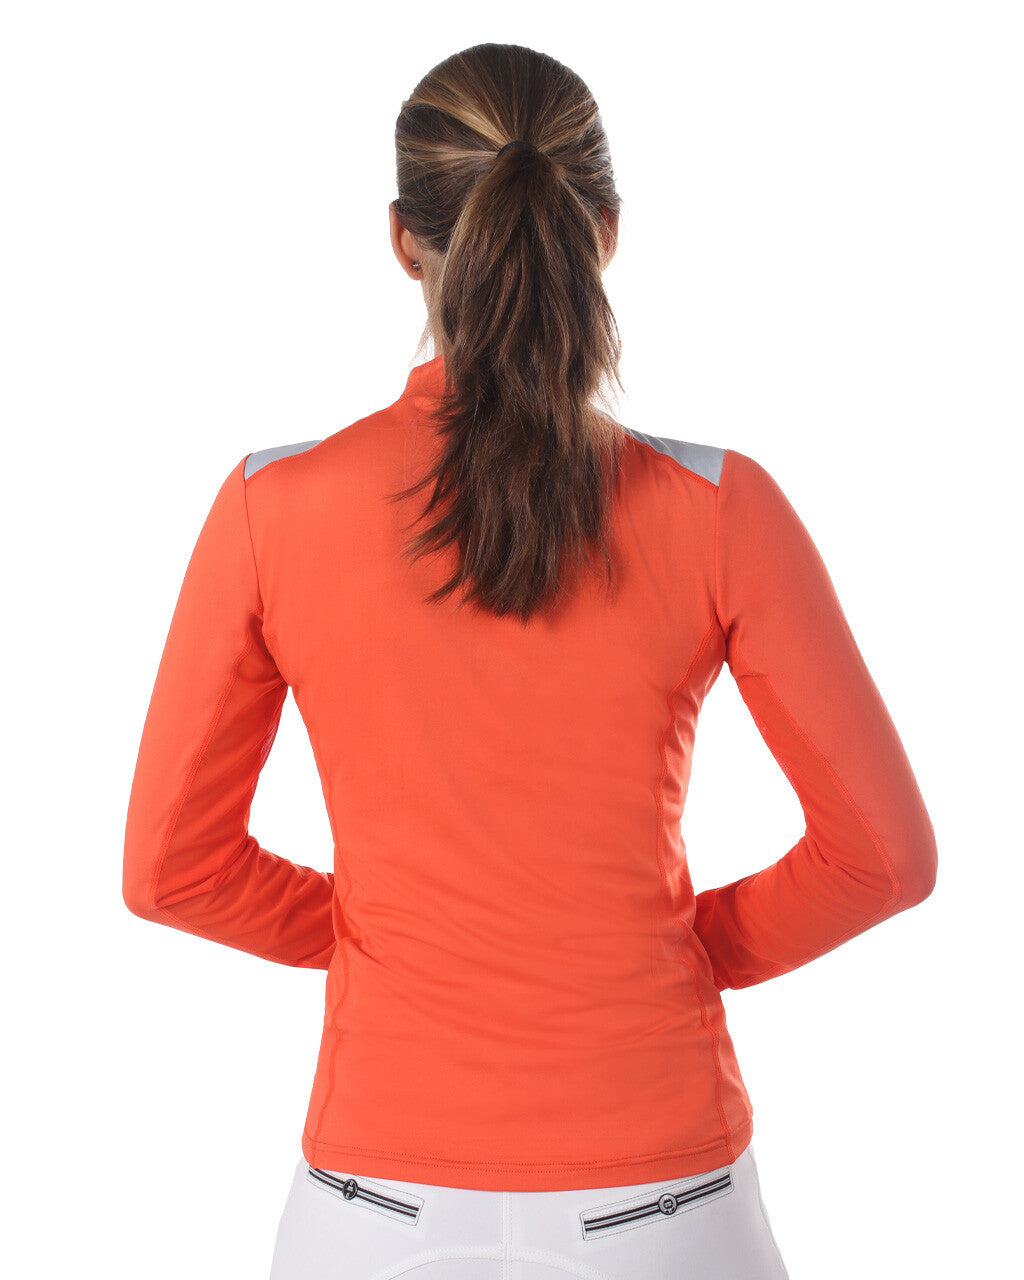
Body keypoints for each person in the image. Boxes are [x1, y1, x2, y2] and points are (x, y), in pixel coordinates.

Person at [121, 41, 937, 1280]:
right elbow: (882, 856)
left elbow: (169, 869)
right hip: (663, 1205)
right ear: (603, 231)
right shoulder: (720, 507)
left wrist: (380, 936)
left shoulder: (269, 508)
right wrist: (684, 948)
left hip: (373, 1209)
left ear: (403, 240)